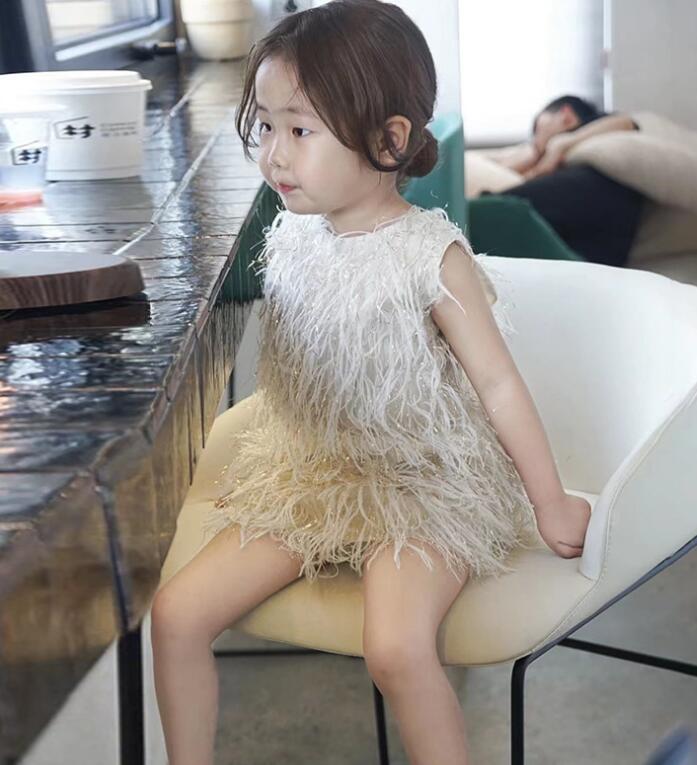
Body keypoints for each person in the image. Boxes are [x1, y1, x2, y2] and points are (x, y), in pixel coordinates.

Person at [150, 2, 591, 763]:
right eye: (265, 127)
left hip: (425, 481)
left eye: (300, 131)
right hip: (314, 471)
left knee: (394, 648)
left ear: (387, 140)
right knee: (175, 614)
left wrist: (548, 500)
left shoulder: (430, 257)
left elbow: (498, 385)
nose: (274, 155)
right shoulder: (292, 235)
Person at [480, 95, 646, 267]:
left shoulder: (597, 130)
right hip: (578, 244)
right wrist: (536, 159)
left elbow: (626, 123)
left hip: (590, 257)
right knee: (489, 211)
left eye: (537, 128)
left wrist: (560, 145)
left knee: (490, 213)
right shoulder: (557, 165)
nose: (535, 140)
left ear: (566, 116)